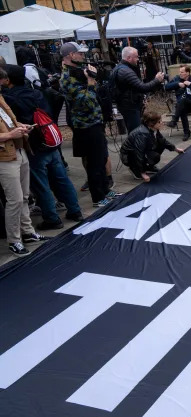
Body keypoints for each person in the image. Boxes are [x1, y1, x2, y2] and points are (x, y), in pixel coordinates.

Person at [2, 64, 83, 230]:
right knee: (61, 178)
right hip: (50, 141)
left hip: (34, 145)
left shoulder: (8, 98)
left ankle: (52, 219)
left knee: (41, 184)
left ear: (7, 80)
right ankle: (75, 211)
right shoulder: (37, 93)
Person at [59, 41, 121, 208]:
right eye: (79, 53)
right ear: (71, 55)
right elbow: (84, 101)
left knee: (101, 159)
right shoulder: (67, 78)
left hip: (94, 121)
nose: (82, 56)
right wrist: (91, 82)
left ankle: (105, 190)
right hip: (85, 125)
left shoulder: (78, 72)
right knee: (94, 162)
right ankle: (98, 197)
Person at [0, 68, 49, 257]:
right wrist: (10, 135)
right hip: (5, 156)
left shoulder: (2, 99)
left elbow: (9, 120)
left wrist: (19, 126)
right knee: (14, 199)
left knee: (24, 196)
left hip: (19, 149)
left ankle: (27, 232)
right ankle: (14, 240)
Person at [120, 109, 184, 182]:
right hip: (128, 156)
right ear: (151, 124)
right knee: (141, 163)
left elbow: (163, 141)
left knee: (157, 152)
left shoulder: (154, 129)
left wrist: (175, 149)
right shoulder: (142, 134)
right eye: (159, 122)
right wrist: (142, 173)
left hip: (141, 151)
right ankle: (135, 168)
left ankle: (148, 167)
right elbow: (139, 153)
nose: (162, 123)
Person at [114, 46, 165, 133]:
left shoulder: (122, 68)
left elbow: (134, 88)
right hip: (130, 107)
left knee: (138, 131)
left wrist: (140, 98)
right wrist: (157, 80)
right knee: (136, 133)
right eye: (136, 57)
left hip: (130, 105)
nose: (138, 59)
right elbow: (143, 87)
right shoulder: (125, 71)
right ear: (129, 57)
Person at [164, 65, 191, 141]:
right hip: (181, 106)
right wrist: (177, 84)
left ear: (187, 73)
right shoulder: (176, 79)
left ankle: (174, 121)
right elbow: (166, 87)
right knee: (182, 108)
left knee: (183, 101)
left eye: (182, 72)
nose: (180, 73)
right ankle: (186, 133)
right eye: (179, 72)